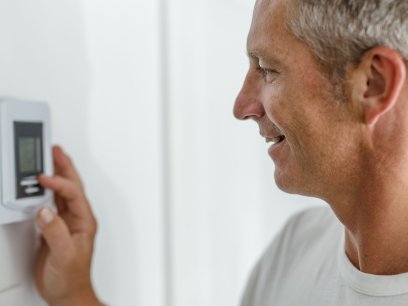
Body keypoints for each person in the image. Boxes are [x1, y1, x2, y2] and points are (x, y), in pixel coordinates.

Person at [34, 0, 408, 305]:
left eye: (267, 69)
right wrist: (73, 294)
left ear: (374, 83)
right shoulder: (297, 246)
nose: (241, 106)